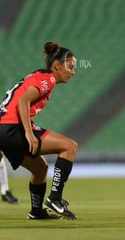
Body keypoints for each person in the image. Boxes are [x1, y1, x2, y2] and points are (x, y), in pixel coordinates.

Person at [0, 42, 78, 219]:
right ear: (57, 65)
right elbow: (23, 101)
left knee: (40, 168)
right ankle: (55, 198)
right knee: (69, 146)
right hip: (11, 127)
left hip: (3, 129)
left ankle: (36, 212)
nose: (73, 71)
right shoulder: (48, 78)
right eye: (70, 66)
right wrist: (29, 133)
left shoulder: (40, 77)